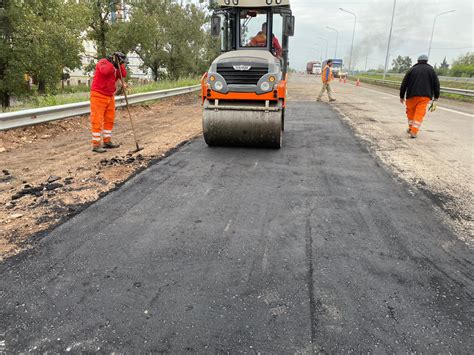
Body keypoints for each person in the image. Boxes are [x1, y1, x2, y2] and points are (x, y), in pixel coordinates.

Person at [89, 52, 128, 153]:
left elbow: (123, 74)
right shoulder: (103, 62)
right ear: (114, 59)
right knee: (97, 120)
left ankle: (107, 141)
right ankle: (96, 145)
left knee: (109, 119)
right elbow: (105, 71)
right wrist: (113, 63)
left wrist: (120, 65)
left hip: (110, 95)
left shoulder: (115, 67)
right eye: (121, 62)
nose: (122, 64)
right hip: (98, 95)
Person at [400, 54, 440, 138]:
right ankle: (414, 131)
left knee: (410, 112)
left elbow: (404, 83)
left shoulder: (412, 70)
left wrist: (401, 95)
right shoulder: (431, 70)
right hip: (425, 96)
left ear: (418, 61)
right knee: (419, 113)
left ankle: (411, 128)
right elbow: (436, 84)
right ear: (426, 61)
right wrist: (436, 96)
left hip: (411, 95)